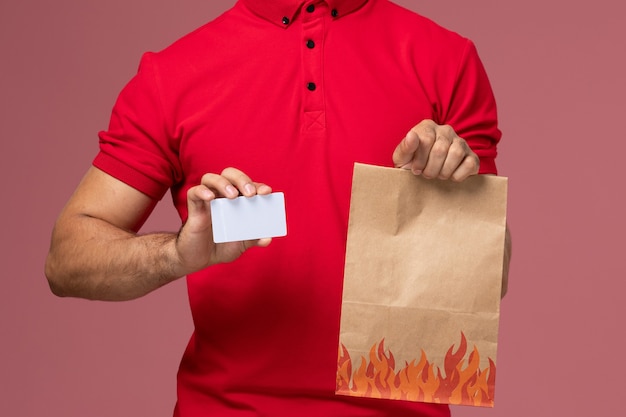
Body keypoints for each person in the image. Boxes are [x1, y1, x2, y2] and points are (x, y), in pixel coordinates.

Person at [45, 0, 508, 416]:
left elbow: (494, 279)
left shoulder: (447, 59)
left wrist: (459, 193)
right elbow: (66, 260)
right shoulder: (171, 76)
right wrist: (176, 254)